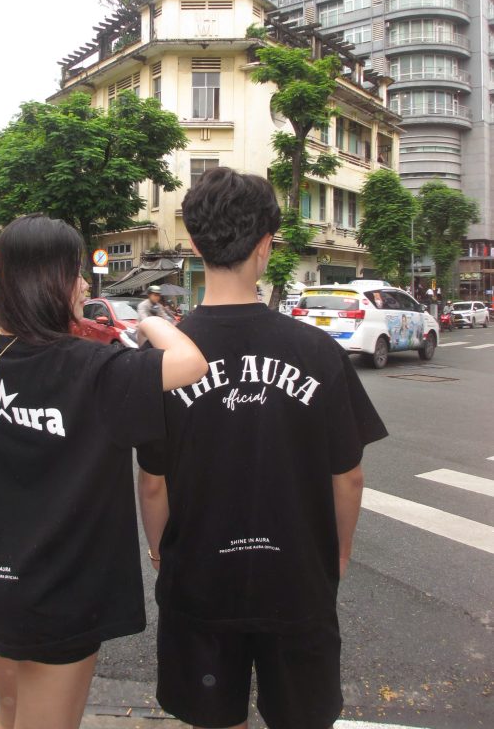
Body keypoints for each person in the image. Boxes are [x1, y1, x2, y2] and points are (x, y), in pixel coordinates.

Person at [137, 167, 388, 729]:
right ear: (266, 245)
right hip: (296, 580)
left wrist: (159, 553)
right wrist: (338, 553)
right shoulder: (317, 352)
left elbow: (153, 482)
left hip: (199, 581)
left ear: (194, 242)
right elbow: (348, 476)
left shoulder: (163, 361)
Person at [0, 214, 207, 729]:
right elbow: (191, 363)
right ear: (47, 280)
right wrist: (152, 321)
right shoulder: (91, 367)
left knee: (11, 710)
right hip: (58, 595)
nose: (85, 284)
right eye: (75, 272)